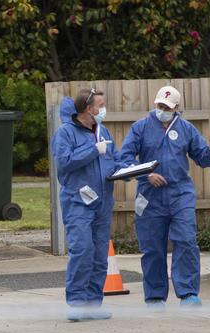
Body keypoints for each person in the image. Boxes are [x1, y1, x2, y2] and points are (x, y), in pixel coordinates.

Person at [120, 86, 210, 308]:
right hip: (150, 197)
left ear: (177, 108)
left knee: (186, 240)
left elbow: (203, 159)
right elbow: (125, 160)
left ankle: (187, 293)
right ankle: (155, 296)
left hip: (180, 194)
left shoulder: (186, 129)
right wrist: (146, 174)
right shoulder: (140, 128)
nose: (162, 110)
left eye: (167, 107)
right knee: (153, 247)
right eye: (159, 105)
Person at [51, 88, 120, 321]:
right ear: (88, 109)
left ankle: (93, 304)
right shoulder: (65, 133)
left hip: (102, 202)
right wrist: (93, 150)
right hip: (77, 201)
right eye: (100, 105)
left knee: (100, 254)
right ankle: (77, 302)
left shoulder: (103, 131)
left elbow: (115, 159)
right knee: (82, 250)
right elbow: (65, 162)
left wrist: (129, 171)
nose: (103, 109)